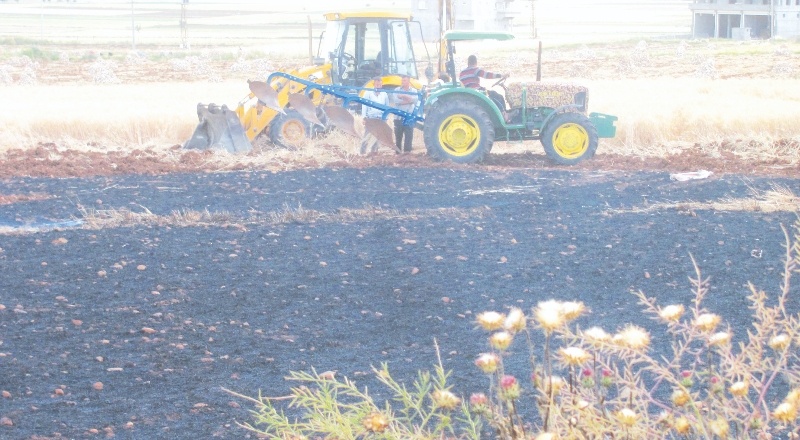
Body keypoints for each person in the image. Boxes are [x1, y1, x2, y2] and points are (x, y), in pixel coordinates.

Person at [459, 55, 510, 121]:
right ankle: (505, 116)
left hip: (469, 92)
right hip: (476, 91)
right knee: (497, 97)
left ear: (468, 62)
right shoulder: (475, 70)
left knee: (493, 95)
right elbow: (487, 75)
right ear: (475, 62)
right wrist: (501, 75)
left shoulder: (462, 73)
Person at [360, 76, 389, 154]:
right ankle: (362, 153)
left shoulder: (384, 94)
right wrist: (364, 117)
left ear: (381, 85)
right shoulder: (368, 93)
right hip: (370, 118)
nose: (378, 86)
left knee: (377, 137)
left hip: (380, 119)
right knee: (367, 136)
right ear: (374, 84)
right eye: (376, 85)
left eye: (379, 85)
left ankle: (374, 152)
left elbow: (387, 107)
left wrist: (386, 119)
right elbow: (364, 105)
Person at [392, 75, 418, 153]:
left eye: (404, 80)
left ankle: (407, 153)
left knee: (408, 137)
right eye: (402, 80)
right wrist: (409, 100)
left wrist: (403, 95)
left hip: (409, 117)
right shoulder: (397, 90)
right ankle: (398, 153)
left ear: (408, 81)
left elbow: (415, 100)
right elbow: (396, 101)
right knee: (398, 137)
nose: (402, 82)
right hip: (398, 117)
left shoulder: (414, 90)